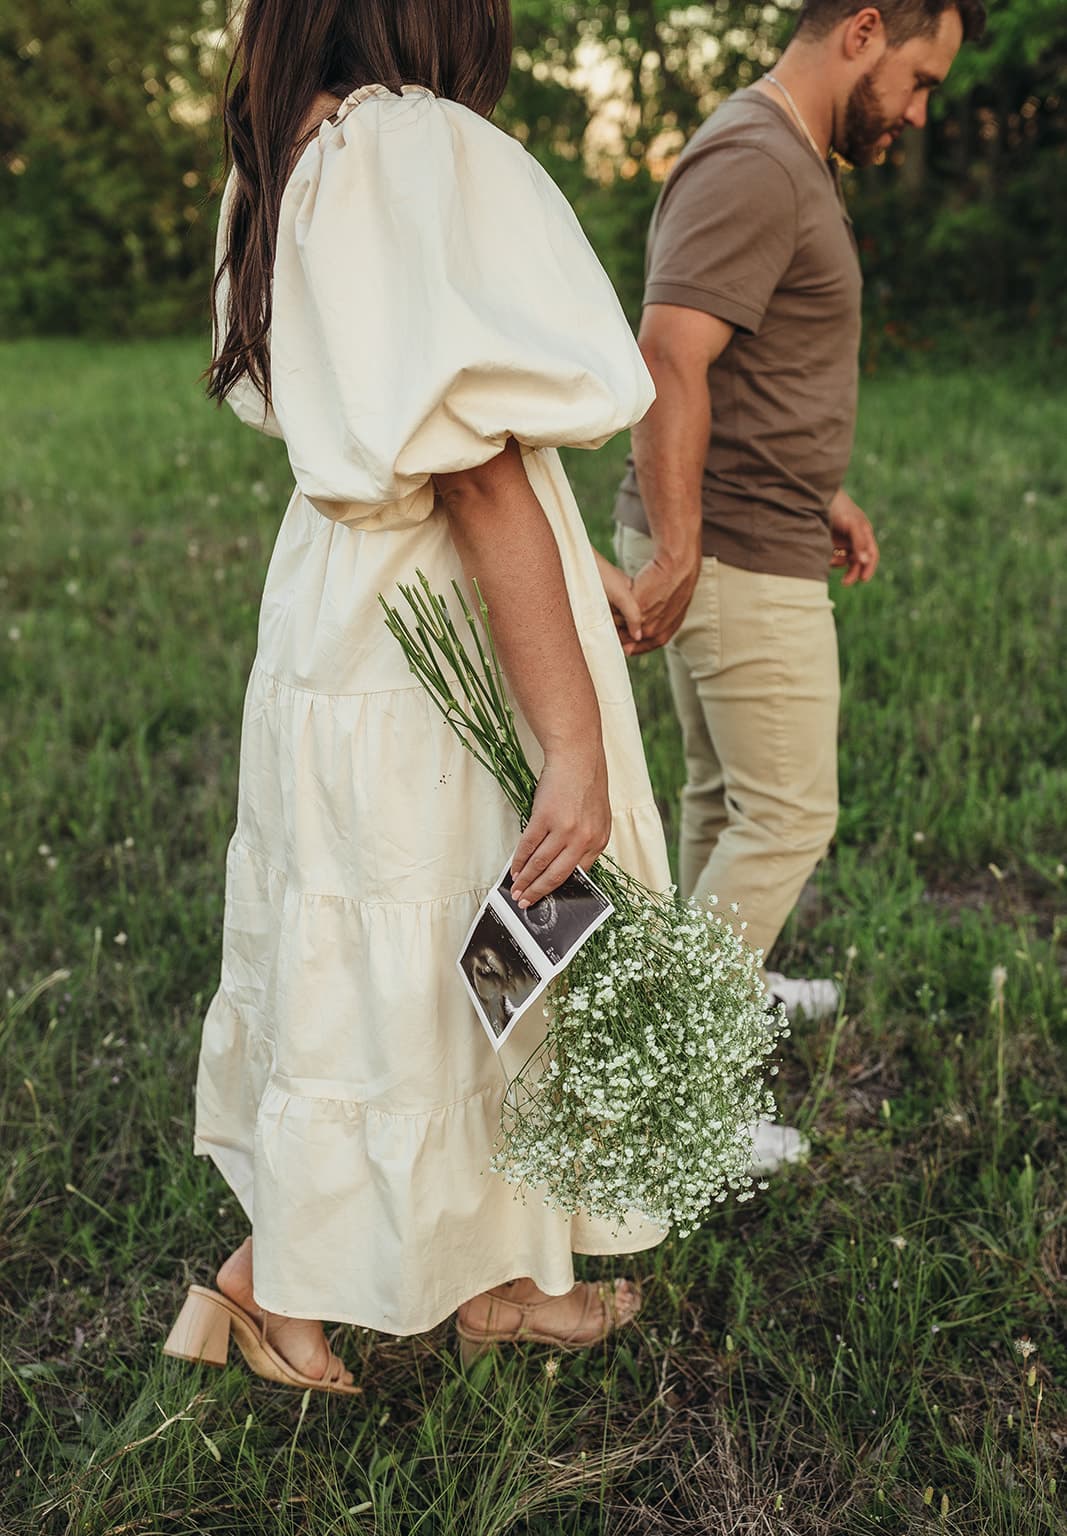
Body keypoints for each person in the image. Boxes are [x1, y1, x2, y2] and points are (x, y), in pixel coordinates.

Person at [162, 1, 673, 1393]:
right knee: (494, 938)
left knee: (444, 944)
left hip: (349, 604)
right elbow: (475, 468)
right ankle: (271, 1286)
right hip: (433, 631)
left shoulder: (292, 156)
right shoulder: (408, 147)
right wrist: (567, 736)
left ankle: (499, 1270)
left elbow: (423, 440)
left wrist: (579, 584)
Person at [614, 0, 984, 1061]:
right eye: (918, 79)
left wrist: (817, 485)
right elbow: (667, 357)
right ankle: (680, 1077)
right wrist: (681, 550)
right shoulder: (756, 161)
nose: (917, 112)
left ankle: (720, 988)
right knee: (784, 819)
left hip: (751, 516)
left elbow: (747, 356)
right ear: (862, 31)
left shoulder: (781, 153)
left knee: (726, 798)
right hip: (730, 546)